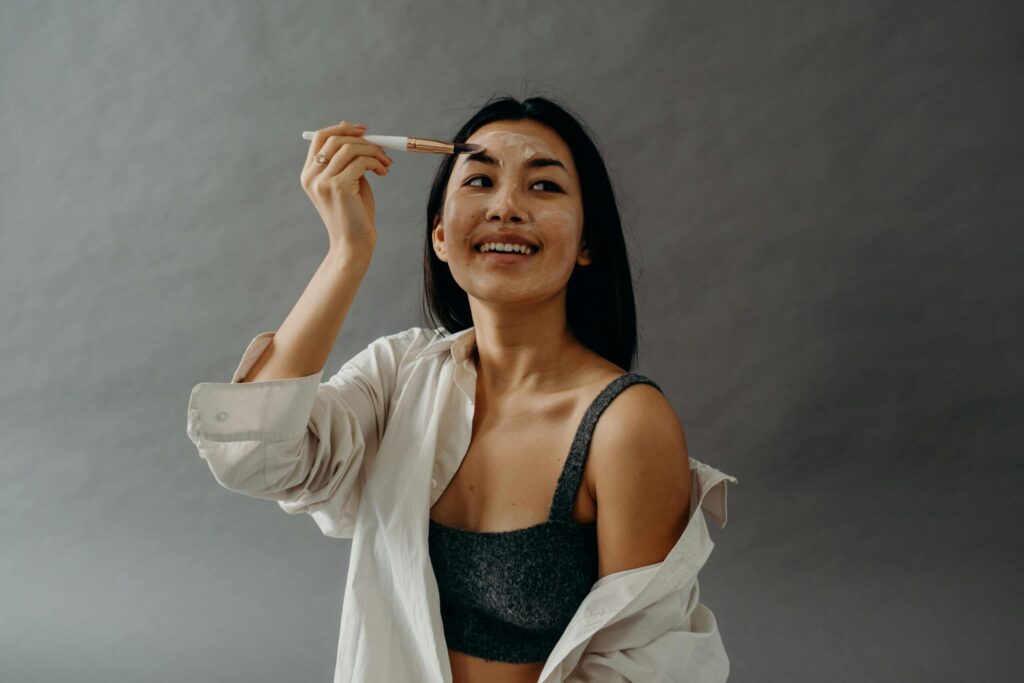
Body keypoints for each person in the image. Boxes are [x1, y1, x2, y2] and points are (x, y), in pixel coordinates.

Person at [186, 95, 737, 683]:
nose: (506, 207)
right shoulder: (401, 375)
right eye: (479, 178)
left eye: (544, 187)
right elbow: (254, 456)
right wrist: (348, 253)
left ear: (586, 243)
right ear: (441, 236)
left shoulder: (625, 425)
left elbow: (648, 668)